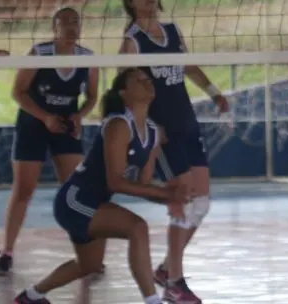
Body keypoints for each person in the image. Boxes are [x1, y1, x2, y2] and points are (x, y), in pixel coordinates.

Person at [14, 67, 188, 304]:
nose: (147, 83)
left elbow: (143, 184)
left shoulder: (152, 133)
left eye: (148, 79)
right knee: (138, 228)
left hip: (94, 203)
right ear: (124, 92)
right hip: (75, 200)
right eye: (139, 80)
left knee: (89, 265)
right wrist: (165, 193)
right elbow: (115, 182)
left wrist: (172, 196)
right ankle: (152, 301)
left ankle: (31, 296)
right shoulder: (118, 125)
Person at [120, 0, 229, 304]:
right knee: (182, 203)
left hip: (186, 122)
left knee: (202, 203)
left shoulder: (172, 31)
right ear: (131, 0)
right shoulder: (133, 40)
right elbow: (124, 88)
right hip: (163, 130)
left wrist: (213, 92)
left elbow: (188, 66)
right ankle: (175, 284)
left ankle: (167, 269)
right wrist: (148, 126)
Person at [0, 7, 99, 276]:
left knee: (75, 189)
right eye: (65, 22)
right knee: (24, 189)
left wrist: (79, 115)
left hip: (65, 124)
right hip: (33, 122)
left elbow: (92, 98)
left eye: (76, 21)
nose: (71, 27)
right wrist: (45, 117)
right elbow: (17, 92)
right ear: (55, 28)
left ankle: (87, 251)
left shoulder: (87, 58)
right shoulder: (40, 54)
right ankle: (7, 252)